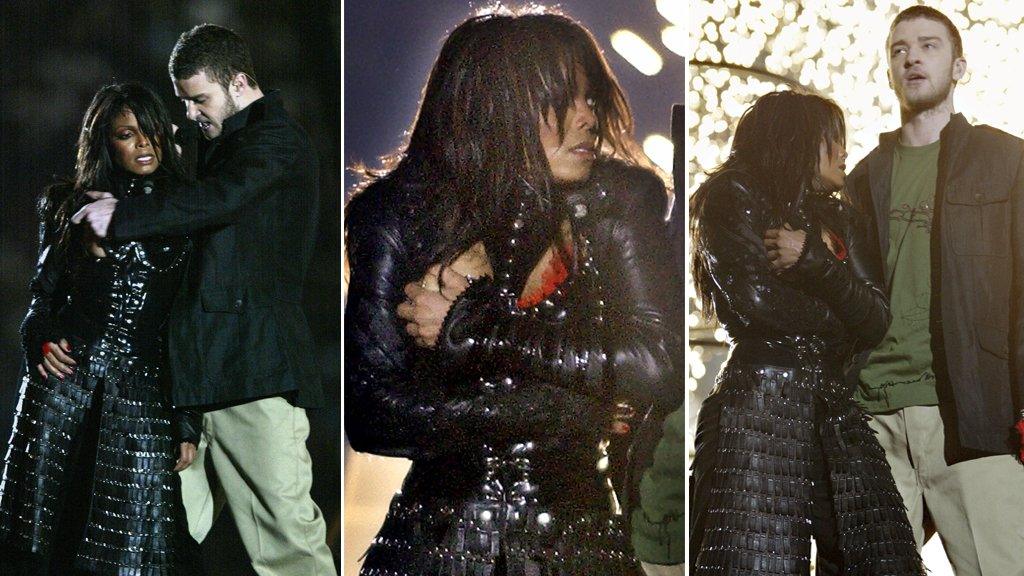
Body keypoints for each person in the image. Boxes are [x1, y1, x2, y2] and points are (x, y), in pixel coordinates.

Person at [345, 6, 683, 575]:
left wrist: (475, 329)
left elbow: (657, 362)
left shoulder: (618, 203)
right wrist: (568, 407)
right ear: (501, 105)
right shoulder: (398, 216)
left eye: (592, 98)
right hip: (438, 542)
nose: (589, 118)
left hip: (578, 540)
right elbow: (374, 414)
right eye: (563, 99)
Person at [71, 25, 336, 576]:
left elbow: (218, 200)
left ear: (239, 83)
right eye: (185, 102)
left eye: (199, 99)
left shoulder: (277, 143)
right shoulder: (218, 148)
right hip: (198, 378)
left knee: (285, 543)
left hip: (257, 376)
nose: (191, 113)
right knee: (160, 536)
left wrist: (123, 217)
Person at [688, 90, 923, 575]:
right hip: (759, 406)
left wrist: (814, 262)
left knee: (880, 557)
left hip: (834, 409)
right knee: (755, 557)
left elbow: (877, 319)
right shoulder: (732, 195)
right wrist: (841, 322)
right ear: (795, 140)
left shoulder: (839, 217)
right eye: (832, 140)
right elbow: (758, 304)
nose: (844, 152)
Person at [846, 6, 1024, 575]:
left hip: (973, 412)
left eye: (928, 46)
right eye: (899, 50)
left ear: (959, 66)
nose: (912, 57)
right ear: (888, 71)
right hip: (875, 414)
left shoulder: (1007, 159)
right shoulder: (861, 177)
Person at [0, 82, 201, 575]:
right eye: (126, 135)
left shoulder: (189, 212)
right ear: (105, 142)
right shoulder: (67, 203)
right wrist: (40, 342)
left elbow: (187, 324)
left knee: (139, 552)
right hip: (63, 394)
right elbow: (40, 302)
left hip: (144, 400)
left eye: (150, 132)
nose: (143, 145)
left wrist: (187, 420)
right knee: (44, 543)